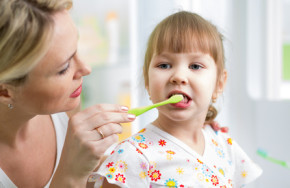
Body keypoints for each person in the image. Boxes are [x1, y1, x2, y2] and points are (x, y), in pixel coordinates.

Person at [91, 11, 262, 187]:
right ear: (148, 81)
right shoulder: (131, 156)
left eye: (195, 66)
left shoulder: (224, 145)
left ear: (219, 84)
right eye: (164, 65)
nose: (179, 76)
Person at [0, 0, 137, 187]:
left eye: (76, 50)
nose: (86, 68)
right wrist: (70, 175)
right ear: (4, 91)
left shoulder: (64, 111)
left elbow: (88, 180)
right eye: (64, 68)